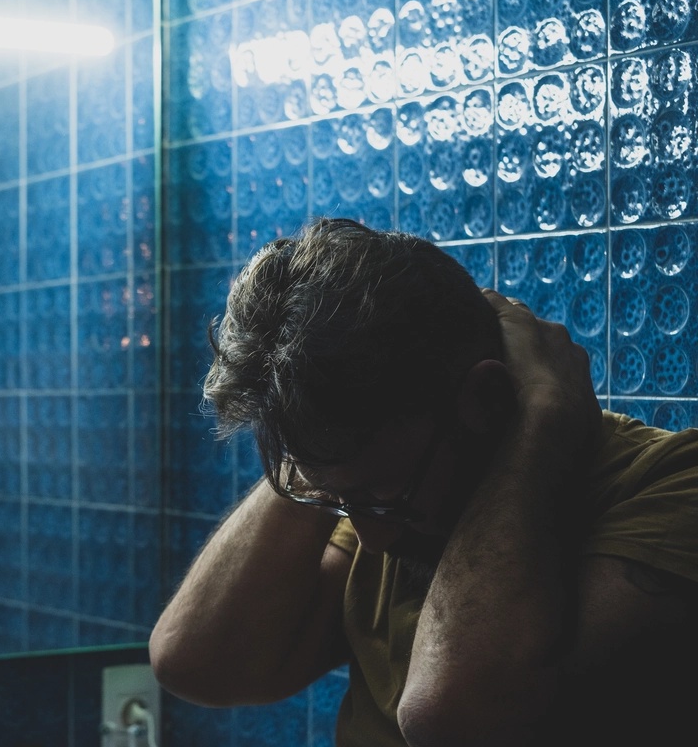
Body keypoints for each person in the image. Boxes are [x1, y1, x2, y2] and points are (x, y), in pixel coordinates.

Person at [149, 218, 698, 745]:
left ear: (486, 401)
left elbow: (457, 722)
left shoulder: (672, 488)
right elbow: (195, 662)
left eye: (382, 500)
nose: (373, 538)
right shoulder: (384, 494)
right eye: (339, 501)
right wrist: (310, 446)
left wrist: (542, 418)